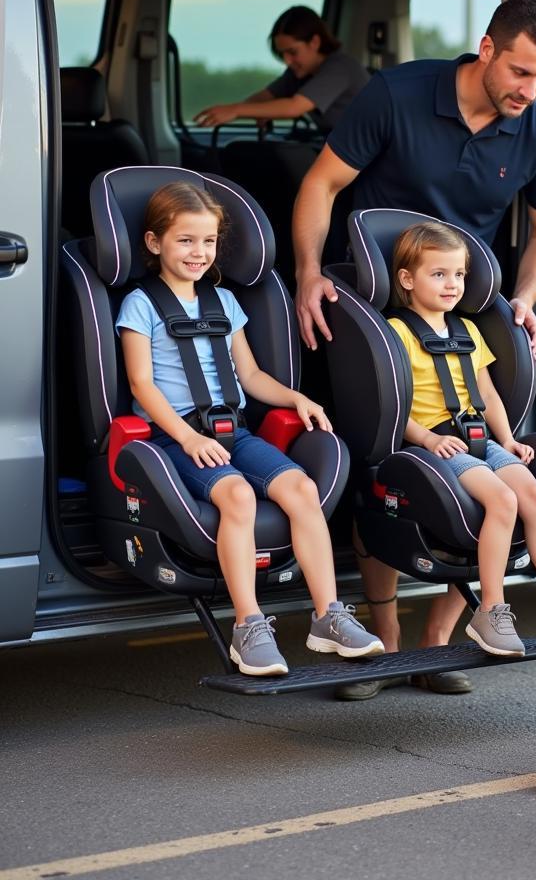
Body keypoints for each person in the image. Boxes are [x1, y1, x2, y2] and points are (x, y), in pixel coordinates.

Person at [291, 0, 536, 698]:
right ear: (486, 48)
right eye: (519, 72)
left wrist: (525, 300)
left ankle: (439, 638)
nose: (528, 91)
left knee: (495, 467)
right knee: (383, 476)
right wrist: (305, 276)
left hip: (466, 318)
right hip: (371, 310)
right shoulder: (397, 94)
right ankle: (383, 640)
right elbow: (322, 185)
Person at [117, 180, 386, 676]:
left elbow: (252, 376)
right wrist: (188, 437)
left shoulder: (224, 302)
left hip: (235, 432)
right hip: (172, 438)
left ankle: (327, 615)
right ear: (155, 244)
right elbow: (141, 383)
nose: (199, 252)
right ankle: (249, 624)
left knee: (302, 488)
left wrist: (298, 398)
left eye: (208, 242)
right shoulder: (140, 304)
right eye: (185, 240)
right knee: (237, 496)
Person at [388, 222, 536, 656]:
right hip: (435, 449)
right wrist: (428, 440)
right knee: (502, 502)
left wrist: (506, 440)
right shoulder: (397, 332)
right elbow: (393, 410)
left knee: (535, 496)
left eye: (459, 275)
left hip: (480, 441)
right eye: (439, 274)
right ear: (407, 279)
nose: (452, 285)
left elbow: (486, 393)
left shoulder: (467, 331)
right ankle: (490, 610)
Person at [194, 7, 369, 134]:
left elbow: (294, 107)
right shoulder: (299, 72)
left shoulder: (340, 68)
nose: (287, 61)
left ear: (314, 42)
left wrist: (237, 110)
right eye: (282, 54)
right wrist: (236, 110)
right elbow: (266, 96)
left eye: (292, 52)